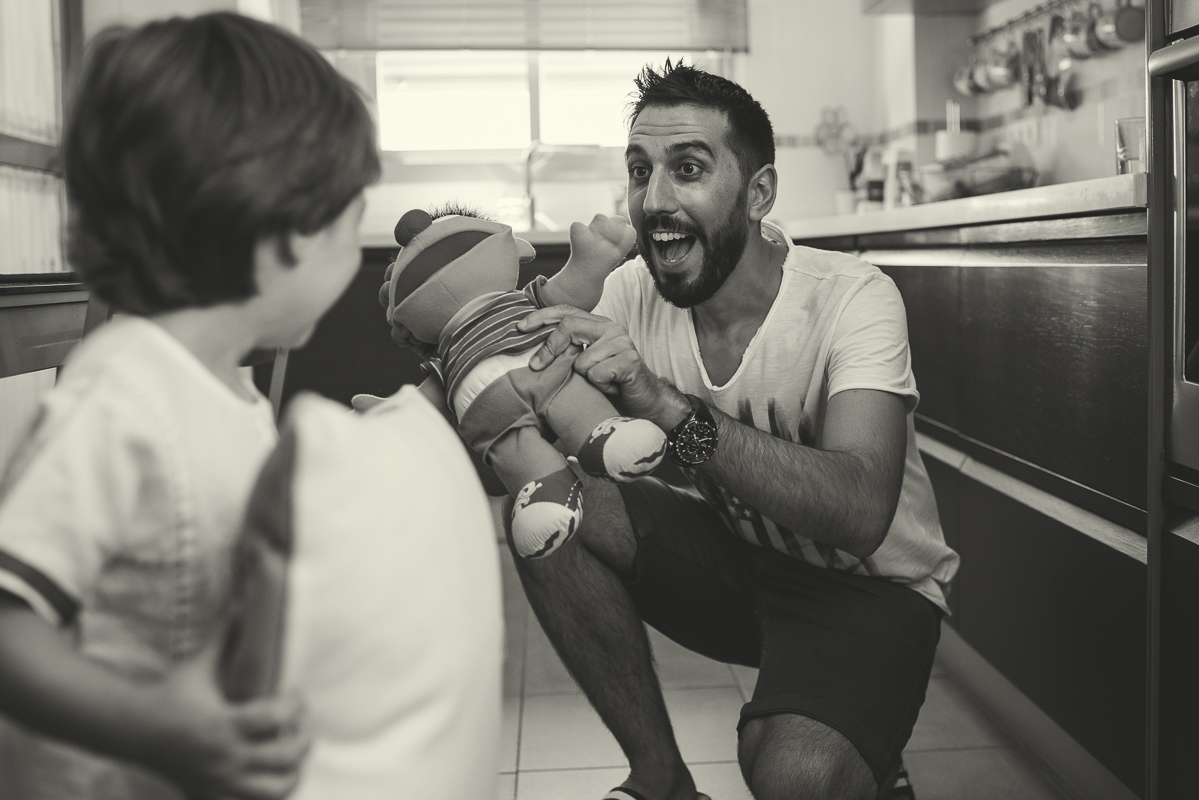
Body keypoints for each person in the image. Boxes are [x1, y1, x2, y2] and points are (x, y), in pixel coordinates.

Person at [507, 62, 962, 800]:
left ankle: (854, 738)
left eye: (687, 169)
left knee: (791, 773)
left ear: (758, 194)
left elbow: (860, 513)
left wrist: (661, 402)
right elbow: (512, 382)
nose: (653, 200)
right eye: (638, 170)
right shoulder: (630, 291)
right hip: (738, 564)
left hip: (871, 589)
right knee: (545, 506)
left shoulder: (851, 299)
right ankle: (661, 780)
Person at [0, 13, 379, 799]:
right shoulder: (122, 398)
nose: (355, 246)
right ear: (290, 232)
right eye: (354, 216)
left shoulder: (219, 390)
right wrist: (159, 726)